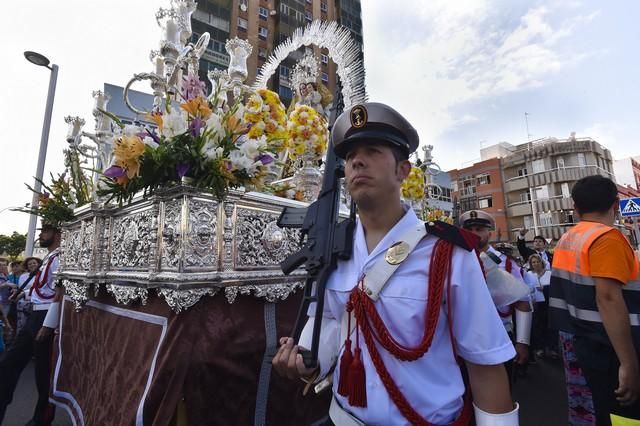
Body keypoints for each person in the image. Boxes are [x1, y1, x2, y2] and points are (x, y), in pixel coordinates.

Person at [272, 102, 518, 425]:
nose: (357, 161)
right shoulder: (333, 246)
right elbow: (332, 318)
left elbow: (485, 367)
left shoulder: (447, 254)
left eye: (373, 151)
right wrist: (308, 355)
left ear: (403, 171)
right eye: (349, 157)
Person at [549, 175, 640, 425]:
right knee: (625, 417)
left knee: (603, 412)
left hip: (585, 342)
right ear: (615, 204)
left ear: (575, 208)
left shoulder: (567, 239)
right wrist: (628, 363)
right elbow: (609, 299)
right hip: (610, 348)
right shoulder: (606, 238)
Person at [0, 224, 62, 425]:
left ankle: (41, 419)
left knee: (43, 375)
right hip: (34, 316)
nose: (41, 234)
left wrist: (48, 325)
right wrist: (24, 293)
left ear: (58, 232)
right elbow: (44, 289)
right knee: (8, 364)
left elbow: (61, 292)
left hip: (45, 318)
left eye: (45, 230)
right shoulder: (49, 258)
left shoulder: (61, 258)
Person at [460, 210, 533, 380]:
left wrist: (522, 342)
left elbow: (522, 302)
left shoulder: (504, 262)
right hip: (465, 334)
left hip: (499, 333)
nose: (474, 234)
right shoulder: (456, 259)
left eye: (479, 229)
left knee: (501, 388)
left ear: (489, 232)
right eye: (470, 230)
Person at [523, 254, 556, 360]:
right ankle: (540, 348)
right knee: (538, 326)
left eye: (537, 261)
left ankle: (552, 348)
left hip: (548, 304)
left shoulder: (549, 273)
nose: (536, 264)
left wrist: (545, 288)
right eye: (533, 262)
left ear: (541, 262)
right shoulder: (529, 274)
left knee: (550, 326)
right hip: (536, 304)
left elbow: (556, 288)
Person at [10, 257, 43, 335]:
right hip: (23, 304)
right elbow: (21, 288)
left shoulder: (42, 275)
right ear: (27, 266)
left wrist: (25, 293)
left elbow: (40, 289)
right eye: (30, 264)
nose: (32, 265)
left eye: (34, 263)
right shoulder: (24, 276)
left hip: (37, 304)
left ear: (38, 264)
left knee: (34, 327)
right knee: (22, 326)